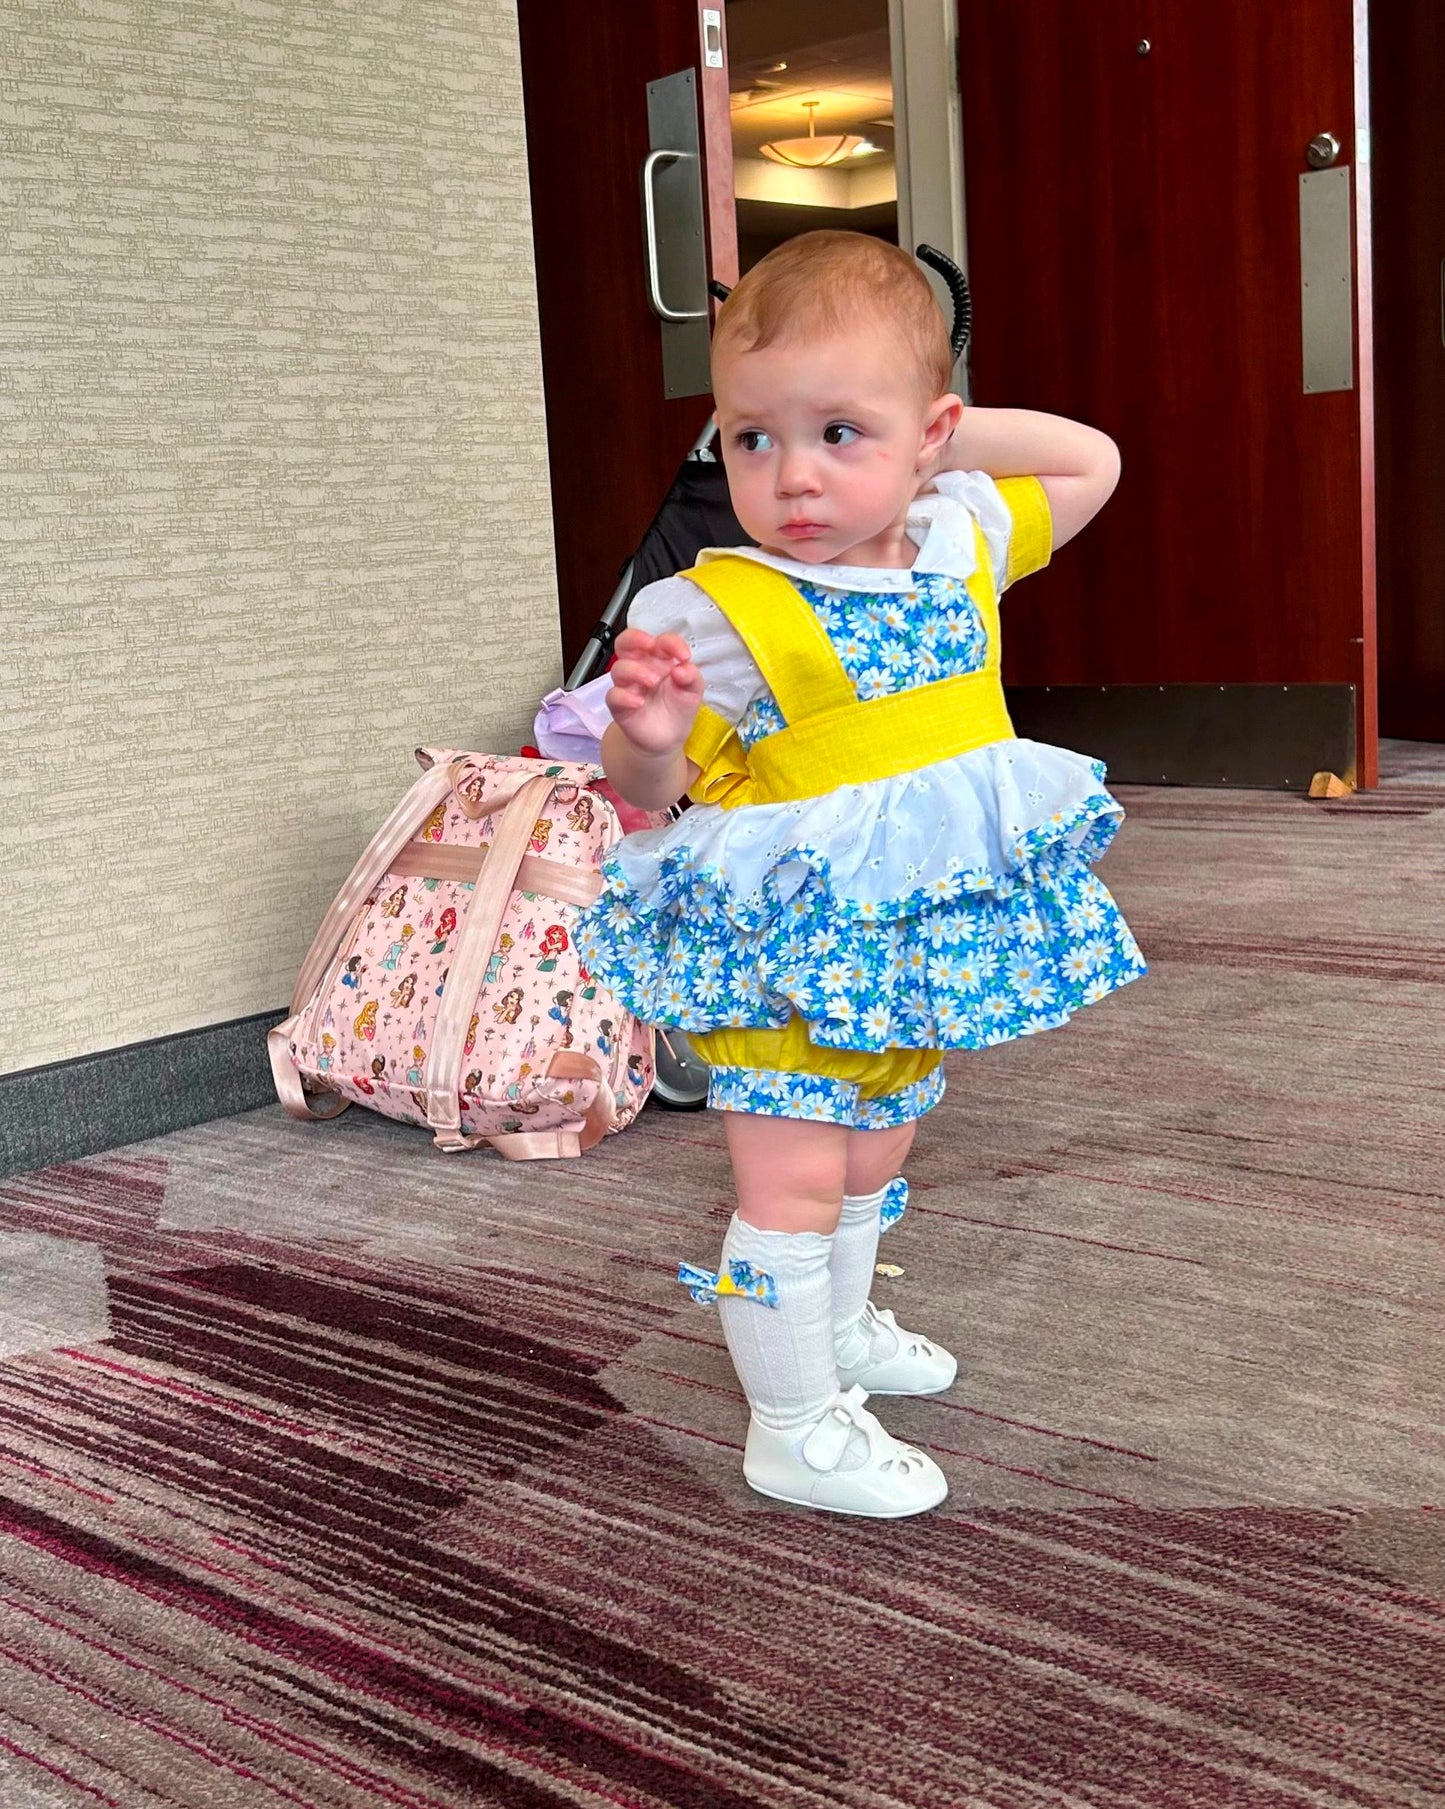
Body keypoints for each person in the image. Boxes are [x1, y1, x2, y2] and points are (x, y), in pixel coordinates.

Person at [576, 231, 1144, 1518]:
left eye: (839, 432)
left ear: (933, 431)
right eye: (750, 437)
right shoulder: (709, 610)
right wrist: (648, 739)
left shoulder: (959, 538)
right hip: (783, 947)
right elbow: (647, 795)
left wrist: (920, 436)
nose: (790, 477)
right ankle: (790, 1427)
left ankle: (834, 1337)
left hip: (912, 945)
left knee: (881, 1142)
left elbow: (1089, 461)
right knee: (794, 1174)